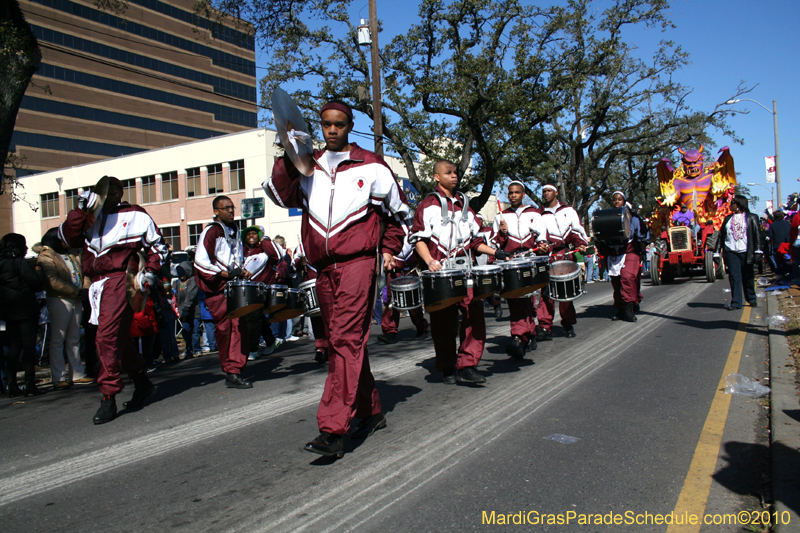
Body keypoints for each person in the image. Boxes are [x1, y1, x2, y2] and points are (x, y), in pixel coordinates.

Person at [265, 99, 409, 458]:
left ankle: (333, 429)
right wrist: (288, 149)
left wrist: (389, 249)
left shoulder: (373, 166)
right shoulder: (306, 165)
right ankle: (372, 410)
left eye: (339, 124)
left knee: (345, 339)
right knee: (342, 343)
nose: (332, 130)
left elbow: (399, 215)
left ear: (349, 125)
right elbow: (280, 195)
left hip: (359, 262)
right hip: (322, 268)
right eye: (326, 124)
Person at [59, 176, 166, 424]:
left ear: (122, 194)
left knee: (105, 337)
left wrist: (149, 271)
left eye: (115, 191)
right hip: (95, 284)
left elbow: (157, 245)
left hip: (121, 280)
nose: (110, 196)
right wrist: (80, 210)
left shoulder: (135, 214)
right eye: (105, 192)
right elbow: (67, 239)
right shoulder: (89, 216)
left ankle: (108, 396)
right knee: (115, 338)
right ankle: (141, 381)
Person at [411, 160, 509, 384]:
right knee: (443, 322)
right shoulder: (427, 205)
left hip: (466, 273)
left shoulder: (465, 205)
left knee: (474, 316)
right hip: (441, 274)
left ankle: (468, 364)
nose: (454, 176)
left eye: (456, 172)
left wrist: (497, 252)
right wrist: (429, 261)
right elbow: (418, 238)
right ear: (437, 177)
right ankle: (446, 366)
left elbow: (475, 241)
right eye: (448, 173)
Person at [194, 195, 253, 389]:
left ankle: (235, 369)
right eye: (225, 207)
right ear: (216, 212)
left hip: (234, 287)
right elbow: (201, 261)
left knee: (238, 327)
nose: (230, 210)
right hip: (219, 289)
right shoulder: (211, 231)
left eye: (232, 207)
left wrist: (241, 269)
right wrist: (226, 274)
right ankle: (231, 370)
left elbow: (235, 256)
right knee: (227, 329)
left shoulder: (235, 230)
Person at [491, 180, 547, 358]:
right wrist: (502, 233)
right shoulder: (501, 216)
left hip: (530, 260)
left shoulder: (534, 213)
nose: (513, 195)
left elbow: (542, 237)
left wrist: (543, 245)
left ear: (523, 194)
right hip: (511, 261)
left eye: (517, 192)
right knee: (515, 299)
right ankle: (518, 336)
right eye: (510, 193)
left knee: (529, 300)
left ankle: (528, 334)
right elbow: (495, 244)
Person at [36, 228, 94, 388]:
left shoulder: (71, 254)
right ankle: (58, 377)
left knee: (74, 338)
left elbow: (84, 273)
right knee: (58, 339)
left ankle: (77, 374)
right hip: (59, 299)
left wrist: (85, 289)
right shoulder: (46, 256)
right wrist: (76, 291)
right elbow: (52, 281)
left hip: (76, 298)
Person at [535, 183, 588, 339]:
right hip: (547, 257)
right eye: (544, 191)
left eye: (549, 191)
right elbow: (536, 234)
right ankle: (545, 327)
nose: (546, 194)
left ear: (556, 193)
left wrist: (581, 244)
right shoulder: (538, 214)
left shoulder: (568, 210)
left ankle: (568, 324)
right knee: (546, 293)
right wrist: (541, 246)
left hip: (565, 255)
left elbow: (576, 230)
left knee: (565, 292)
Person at [0, 233, 45, 397]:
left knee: (13, 347)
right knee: (28, 346)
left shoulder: (2, 264)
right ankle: (29, 383)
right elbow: (35, 282)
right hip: (25, 308)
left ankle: (12, 385)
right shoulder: (20, 263)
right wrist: (39, 273)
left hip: (8, 311)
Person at [596, 192, 649, 322]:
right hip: (613, 252)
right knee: (616, 281)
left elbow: (642, 235)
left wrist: (642, 252)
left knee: (628, 277)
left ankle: (628, 308)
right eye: (614, 200)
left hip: (630, 250)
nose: (617, 202)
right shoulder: (607, 217)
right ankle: (620, 307)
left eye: (619, 199)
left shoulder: (634, 218)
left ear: (624, 201)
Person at [377, 231, 429, 345]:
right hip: (395, 271)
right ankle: (390, 331)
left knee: (413, 300)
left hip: (410, 270)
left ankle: (421, 327)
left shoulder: (414, 228)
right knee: (391, 300)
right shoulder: (390, 230)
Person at [242, 226, 283, 360]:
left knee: (253, 318)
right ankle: (270, 340)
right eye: (248, 234)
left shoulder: (265, 248)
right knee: (255, 318)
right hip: (245, 290)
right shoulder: (242, 250)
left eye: (254, 234)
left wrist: (264, 241)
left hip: (261, 289)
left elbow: (277, 256)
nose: (251, 236)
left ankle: (253, 349)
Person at [717, 195, 763, 310]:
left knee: (748, 276)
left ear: (738, 204)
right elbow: (721, 235)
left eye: (732, 203)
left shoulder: (752, 217)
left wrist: (758, 251)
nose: (730, 205)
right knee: (734, 276)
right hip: (731, 250)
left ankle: (751, 298)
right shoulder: (728, 219)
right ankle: (736, 302)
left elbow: (757, 235)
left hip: (746, 251)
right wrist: (717, 251)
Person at [294, 239, 330, 363]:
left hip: (326, 283)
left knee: (330, 318)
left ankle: (332, 345)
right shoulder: (301, 247)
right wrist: (300, 263)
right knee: (316, 319)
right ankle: (320, 348)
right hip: (311, 285)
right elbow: (294, 266)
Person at [768, 210, 791, 279]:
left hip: (777, 245)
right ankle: (789, 272)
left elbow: (770, 236)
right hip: (787, 244)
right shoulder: (787, 223)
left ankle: (781, 274)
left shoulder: (773, 225)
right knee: (788, 260)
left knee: (779, 261)